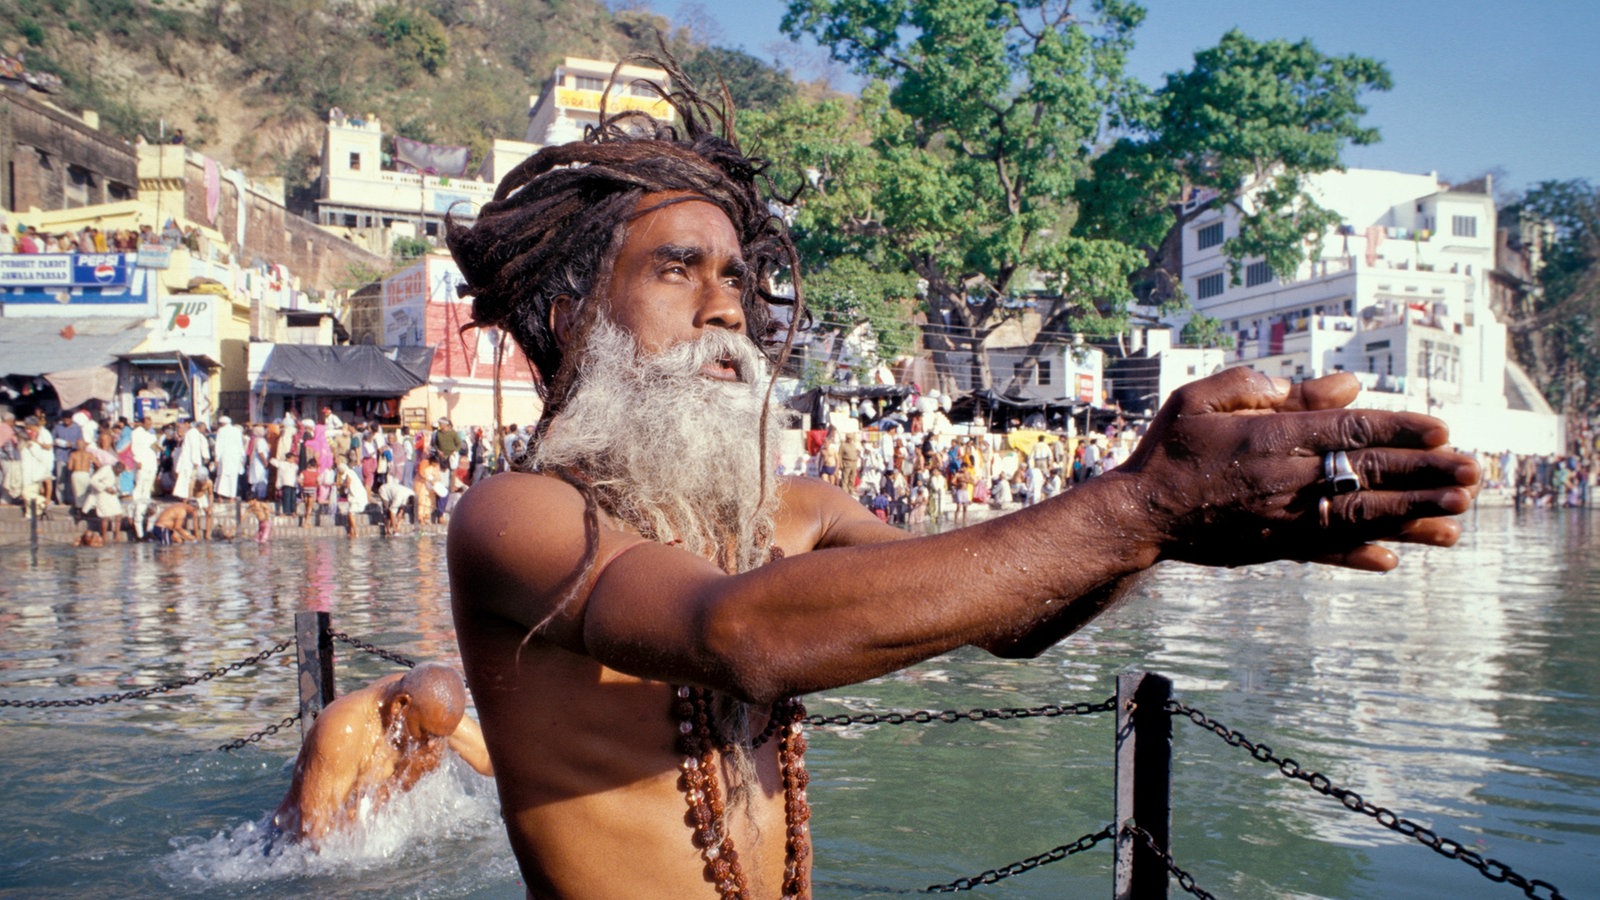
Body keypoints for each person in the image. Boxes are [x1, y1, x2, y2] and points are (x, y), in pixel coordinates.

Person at [441, 63, 1476, 899]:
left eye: (740, 281)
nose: (729, 311)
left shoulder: (796, 513)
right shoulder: (514, 519)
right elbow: (739, 636)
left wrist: (1161, 528)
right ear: (571, 310)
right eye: (678, 269)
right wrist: (1142, 503)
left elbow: (1011, 620)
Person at [269, 664, 494, 847]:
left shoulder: (431, 707)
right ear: (399, 705)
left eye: (442, 736)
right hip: (283, 850)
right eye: (427, 734)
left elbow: (488, 760)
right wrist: (403, 781)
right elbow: (315, 838)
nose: (433, 745)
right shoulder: (342, 730)